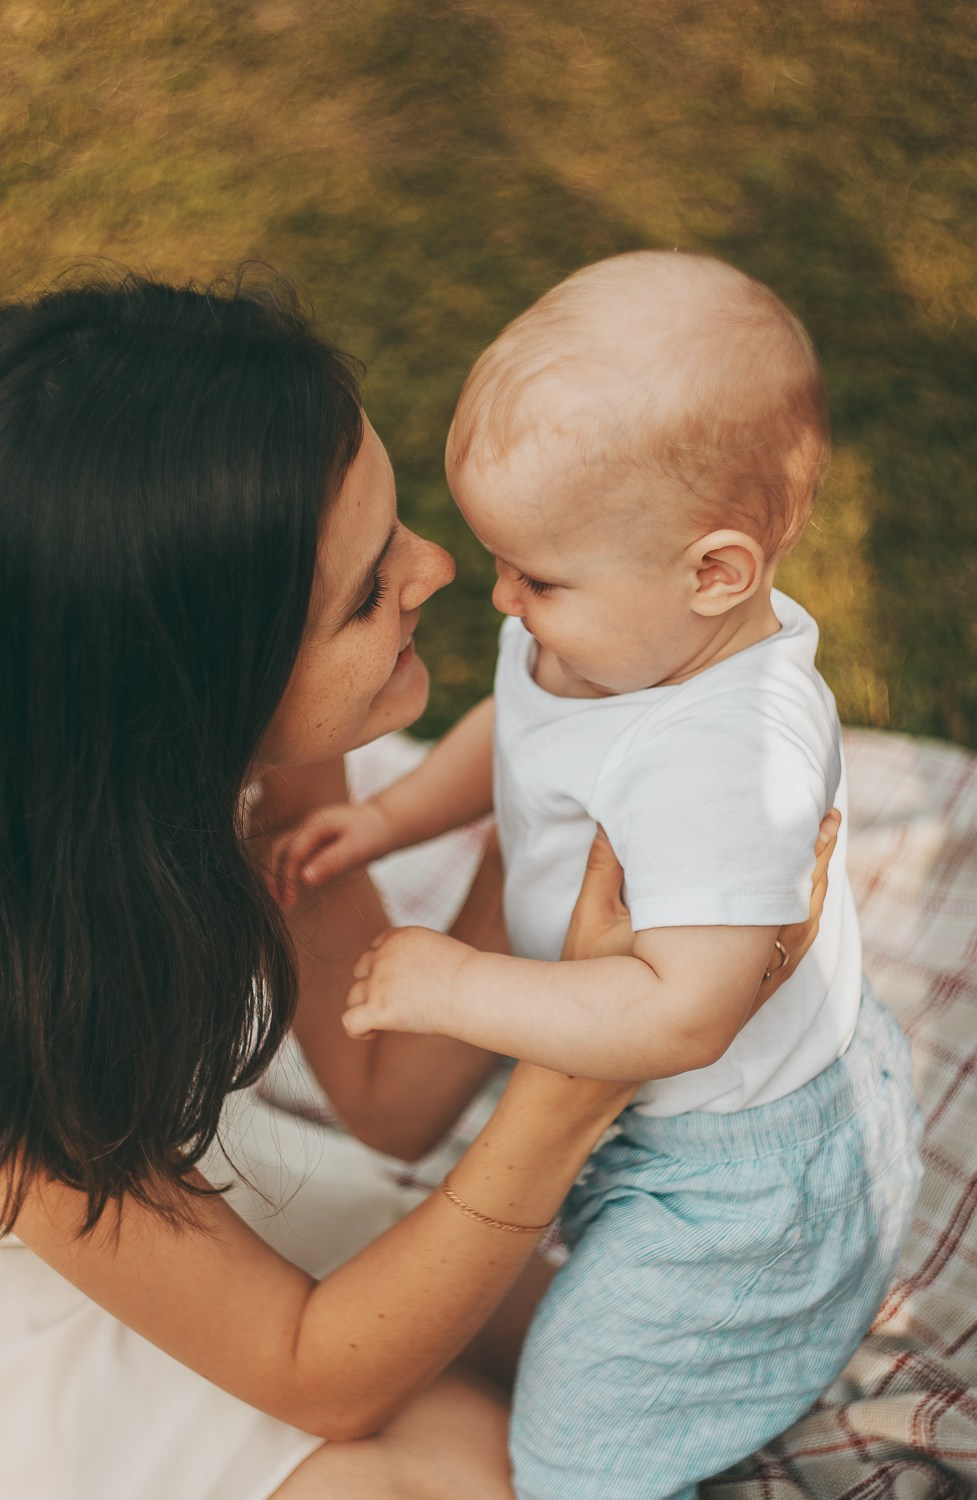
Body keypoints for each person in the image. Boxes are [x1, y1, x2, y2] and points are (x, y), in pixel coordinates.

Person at [0, 270, 830, 1500]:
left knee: (575, 1337)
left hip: (133, 1196)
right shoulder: (27, 1010)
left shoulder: (191, 757)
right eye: (364, 593)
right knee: (455, 1469)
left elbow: (387, 1099)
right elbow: (318, 1372)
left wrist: (545, 827)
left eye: (393, 523)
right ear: (189, 700)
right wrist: (572, 1090)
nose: (438, 568)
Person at [273, 252, 922, 1500]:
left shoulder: (724, 755)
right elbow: (518, 728)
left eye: (541, 578)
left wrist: (455, 982)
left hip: (734, 1178)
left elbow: (683, 1012)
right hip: (645, 1125)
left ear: (714, 573)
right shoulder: (615, 644)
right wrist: (392, 821)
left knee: (579, 1453)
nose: (499, 600)